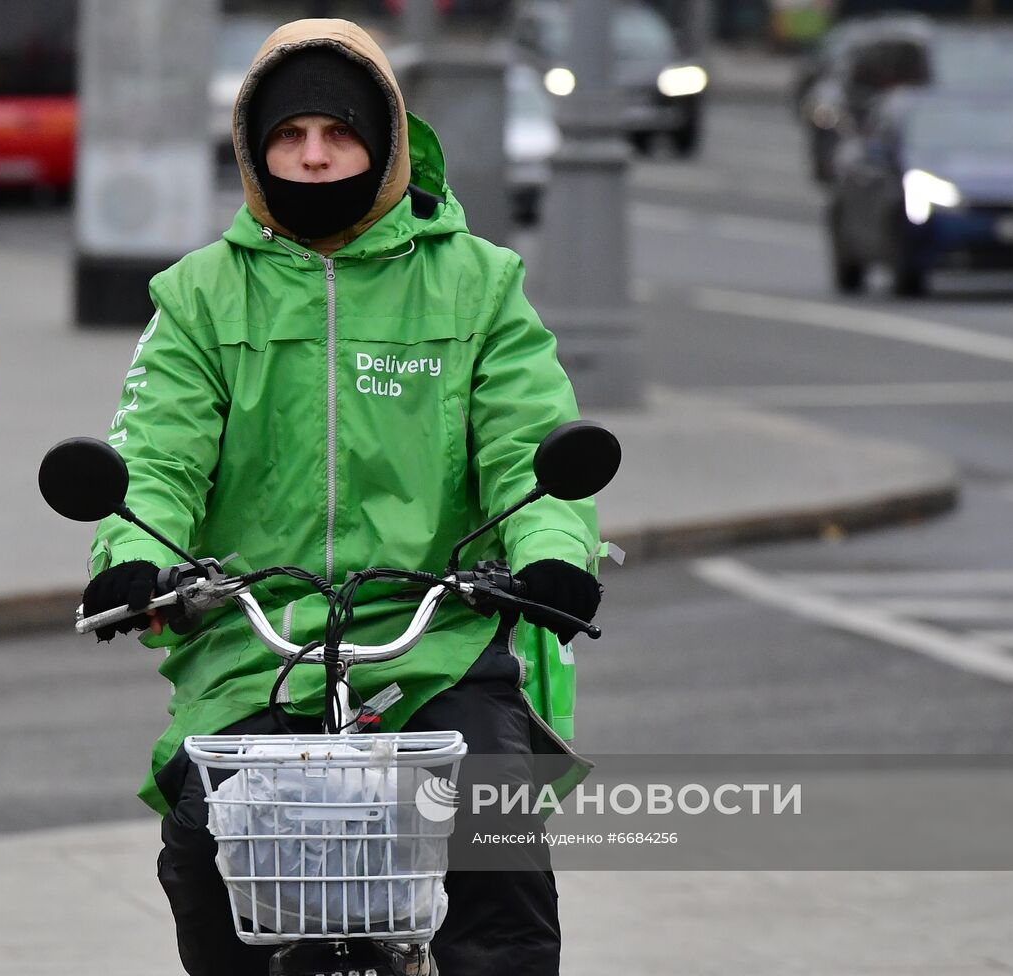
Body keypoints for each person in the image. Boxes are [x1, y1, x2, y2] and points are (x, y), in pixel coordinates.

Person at [82, 19, 601, 975]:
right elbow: (152, 454)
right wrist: (131, 556)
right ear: (253, 148)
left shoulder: (478, 286)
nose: (314, 157)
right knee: (204, 852)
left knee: (498, 850)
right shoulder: (199, 296)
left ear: (385, 142)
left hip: (434, 640)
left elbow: (530, 448)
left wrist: (552, 550)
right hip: (254, 645)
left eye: (340, 133)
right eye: (289, 136)